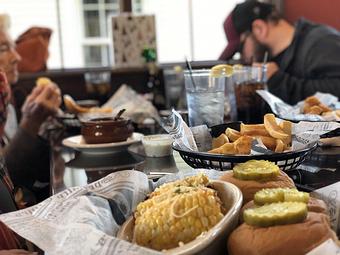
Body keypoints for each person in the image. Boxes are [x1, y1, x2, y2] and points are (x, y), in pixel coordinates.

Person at [219, 0, 340, 104]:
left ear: (259, 29)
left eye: (240, 49)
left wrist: (278, 81)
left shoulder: (320, 42)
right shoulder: (271, 58)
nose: (243, 58)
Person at [0, 15, 61, 199]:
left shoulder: (10, 103)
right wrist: (30, 123)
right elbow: (7, 182)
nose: (17, 57)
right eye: (4, 49)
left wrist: (41, 127)